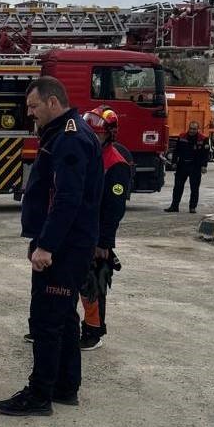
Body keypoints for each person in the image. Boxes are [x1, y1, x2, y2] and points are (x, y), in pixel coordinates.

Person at [0, 77, 102, 416]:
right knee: (64, 317)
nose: (30, 113)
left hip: (64, 247)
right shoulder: (64, 133)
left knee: (46, 320)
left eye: (33, 106)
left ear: (53, 102)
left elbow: (67, 198)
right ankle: (65, 387)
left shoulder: (70, 138)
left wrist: (46, 246)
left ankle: (39, 394)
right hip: (68, 243)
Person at [80, 106, 133, 351]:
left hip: (97, 235)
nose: (92, 138)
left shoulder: (116, 164)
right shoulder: (87, 156)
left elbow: (114, 208)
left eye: (97, 134)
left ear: (109, 134)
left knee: (94, 283)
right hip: (80, 230)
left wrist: (104, 242)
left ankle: (93, 331)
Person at [165, 120, 209, 214]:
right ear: (188, 128)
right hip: (182, 165)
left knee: (194, 188)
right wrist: (174, 162)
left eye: (194, 129)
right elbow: (176, 150)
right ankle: (174, 206)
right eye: (191, 128)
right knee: (177, 187)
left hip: (195, 166)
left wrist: (204, 166)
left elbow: (205, 154)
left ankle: (192, 207)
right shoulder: (182, 137)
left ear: (198, 129)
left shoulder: (203, 139)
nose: (192, 130)